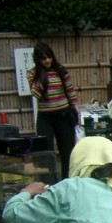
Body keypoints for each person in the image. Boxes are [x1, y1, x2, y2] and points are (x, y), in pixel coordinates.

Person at [28, 42, 80, 180]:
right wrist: (41, 77)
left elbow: (71, 93)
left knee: (67, 152)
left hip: (63, 115)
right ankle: (48, 184)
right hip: (45, 117)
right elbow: (36, 94)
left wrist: (77, 113)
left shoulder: (61, 71)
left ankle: (68, 182)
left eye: (49, 57)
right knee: (45, 153)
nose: (47, 61)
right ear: (38, 60)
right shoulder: (32, 73)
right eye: (43, 58)